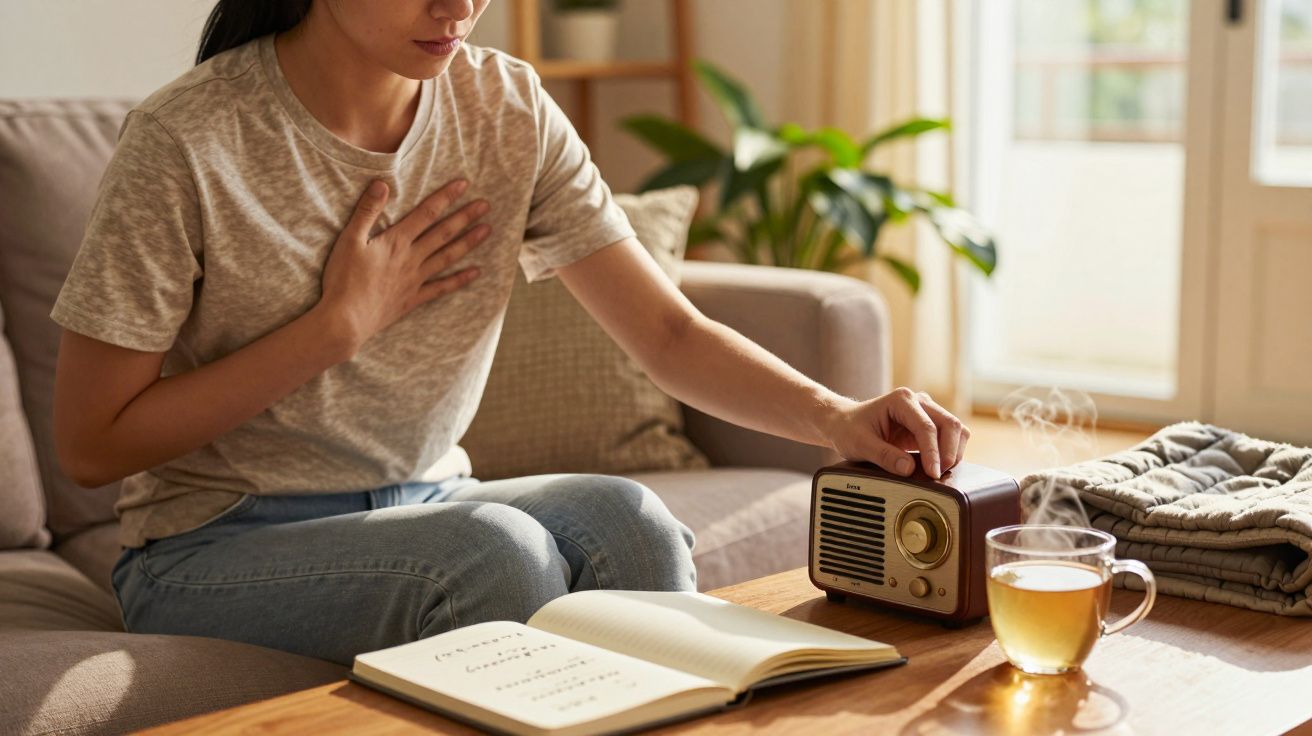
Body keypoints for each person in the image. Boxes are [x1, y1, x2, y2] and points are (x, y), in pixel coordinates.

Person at [51, 0, 971, 666]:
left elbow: (667, 334)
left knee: (633, 525)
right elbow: (93, 444)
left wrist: (837, 416)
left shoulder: (505, 106)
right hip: (210, 542)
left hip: (426, 498)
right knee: (495, 553)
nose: (460, 5)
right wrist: (334, 329)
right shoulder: (186, 139)